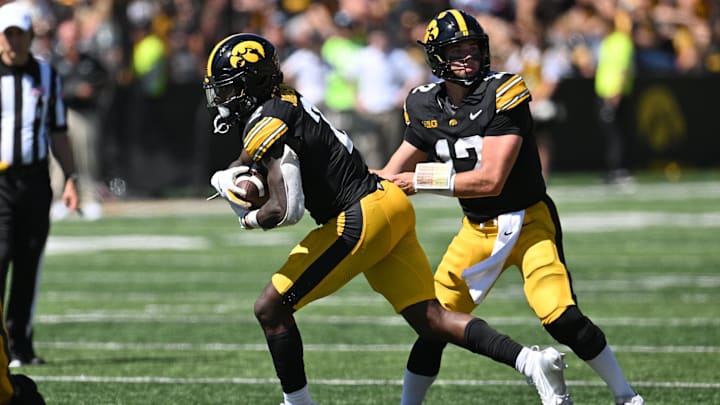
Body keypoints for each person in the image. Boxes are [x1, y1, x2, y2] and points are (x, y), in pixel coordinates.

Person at [204, 33, 571, 405]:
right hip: (388, 203)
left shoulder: (267, 119)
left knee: (270, 307)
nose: (221, 97)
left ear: (251, 82)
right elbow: (254, 156)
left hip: (357, 217)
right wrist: (234, 172)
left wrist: (248, 217)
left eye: (228, 87)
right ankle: (531, 361)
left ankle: (298, 404)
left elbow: (287, 209)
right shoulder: (284, 100)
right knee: (431, 319)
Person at [374, 9, 644, 405]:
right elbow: (390, 175)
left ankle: (626, 395)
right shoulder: (424, 104)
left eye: (472, 48)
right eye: (455, 50)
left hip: (528, 220)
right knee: (434, 325)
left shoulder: (503, 92)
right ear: (436, 58)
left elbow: (490, 179)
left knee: (561, 316)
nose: (466, 57)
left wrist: (421, 179)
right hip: (476, 230)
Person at [0, 1, 79, 367]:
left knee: (29, 262)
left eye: (20, 34)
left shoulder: (47, 76)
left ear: (31, 35)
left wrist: (71, 177)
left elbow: (58, 130)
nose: (13, 41)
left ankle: (21, 346)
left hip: (34, 180)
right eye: (8, 34)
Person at [595, 10, 635, 185]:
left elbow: (623, 68)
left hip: (614, 93)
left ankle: (619, 169)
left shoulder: (621, 41)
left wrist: (617, 92)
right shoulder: (606, 42)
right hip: (604, 92)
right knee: (610, 133)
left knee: (616, 133)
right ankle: (613, 169)